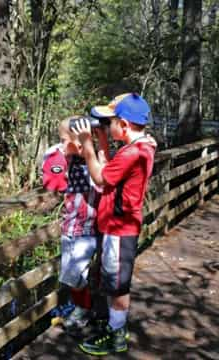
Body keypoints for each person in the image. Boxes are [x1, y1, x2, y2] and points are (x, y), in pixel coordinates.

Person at [71, 93, 156, 355]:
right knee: (114, 281)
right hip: (119, 227)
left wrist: (86, 143)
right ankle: (114, 325)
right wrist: (104, 139)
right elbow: (109, 170)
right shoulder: (141, 147)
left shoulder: (131, 153)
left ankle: (116, 335)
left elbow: (99, 176)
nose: (107, 126)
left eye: (111, 123)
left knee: (118, 286)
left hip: (118, 229)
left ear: (125, 125)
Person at [42, 116, 108, 334]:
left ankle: (84, 310)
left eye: (64, 140)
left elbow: (103, 182)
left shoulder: (93, 160)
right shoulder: (63, 160)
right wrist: (62, 153)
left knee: (74, 273)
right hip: (71, 227)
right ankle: (83, 309)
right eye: (61, 140)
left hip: (90, 229)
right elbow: (53, 183)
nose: (61, 144)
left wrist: (85, 148)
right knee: (72, 274)